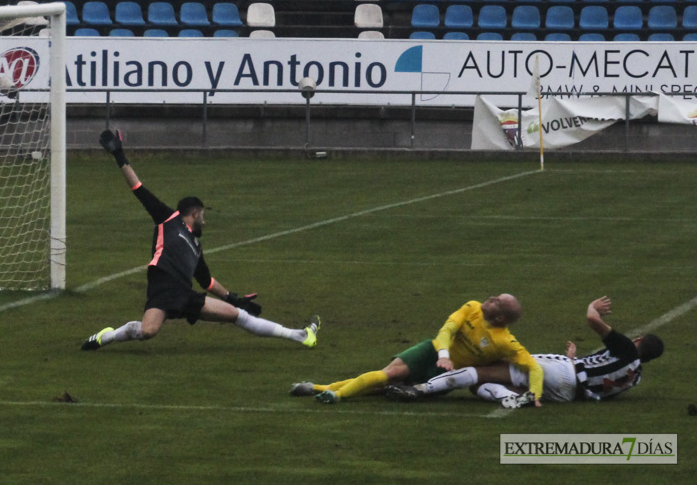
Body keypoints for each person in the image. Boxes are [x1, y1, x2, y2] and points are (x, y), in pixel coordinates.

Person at [81, 129, 320, 351]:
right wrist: (119, 155)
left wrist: (232, 297)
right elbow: (138, 188)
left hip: (185, 294)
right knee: (147, 331)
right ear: (194, 213)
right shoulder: (168, 219)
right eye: (203, 215)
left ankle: (300, 335)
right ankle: (107, 336)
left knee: (236, 314)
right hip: (162, 288)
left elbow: (206, 281)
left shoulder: (196, 246)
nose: (205, 221)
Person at [386, 296, 664, 408]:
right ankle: (511, 398)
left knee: (484, 371)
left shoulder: (628, 349)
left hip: (561, 372)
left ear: (638, 340)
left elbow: (592, 320)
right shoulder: (635, 376)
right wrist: (573, 358)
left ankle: (419, 389)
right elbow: (595, 376)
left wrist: (594, 309)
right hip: (570, 394)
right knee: (481, 386)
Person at [290, 294, 543, 405]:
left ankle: (318, 388)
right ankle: (334, 395)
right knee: (389, 374)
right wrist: (444, 356)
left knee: (380, 389)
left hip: (444, 378)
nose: (491, 298)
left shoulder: (505, 342)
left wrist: (536, 395)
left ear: (501, 319)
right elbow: (446, 330)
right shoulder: (472, 307)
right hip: (431, 351)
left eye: (497, 302)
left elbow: (532, 366)